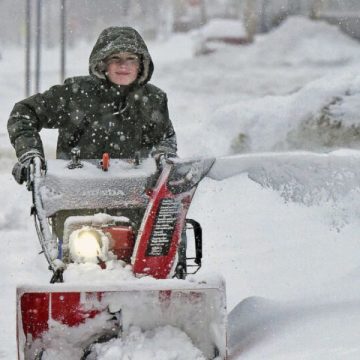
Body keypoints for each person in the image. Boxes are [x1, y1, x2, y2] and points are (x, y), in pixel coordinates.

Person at [8, 26, 177, 184]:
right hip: (74, 193)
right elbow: (23, 113)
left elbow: (165, 137)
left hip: (137, 195)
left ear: (141, 65)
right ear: (103, 63)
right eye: (115, 58)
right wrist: (30, 154)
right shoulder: (75, 94)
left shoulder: (153, 99)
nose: (123, 65)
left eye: (131, 59)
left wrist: (163, 156)